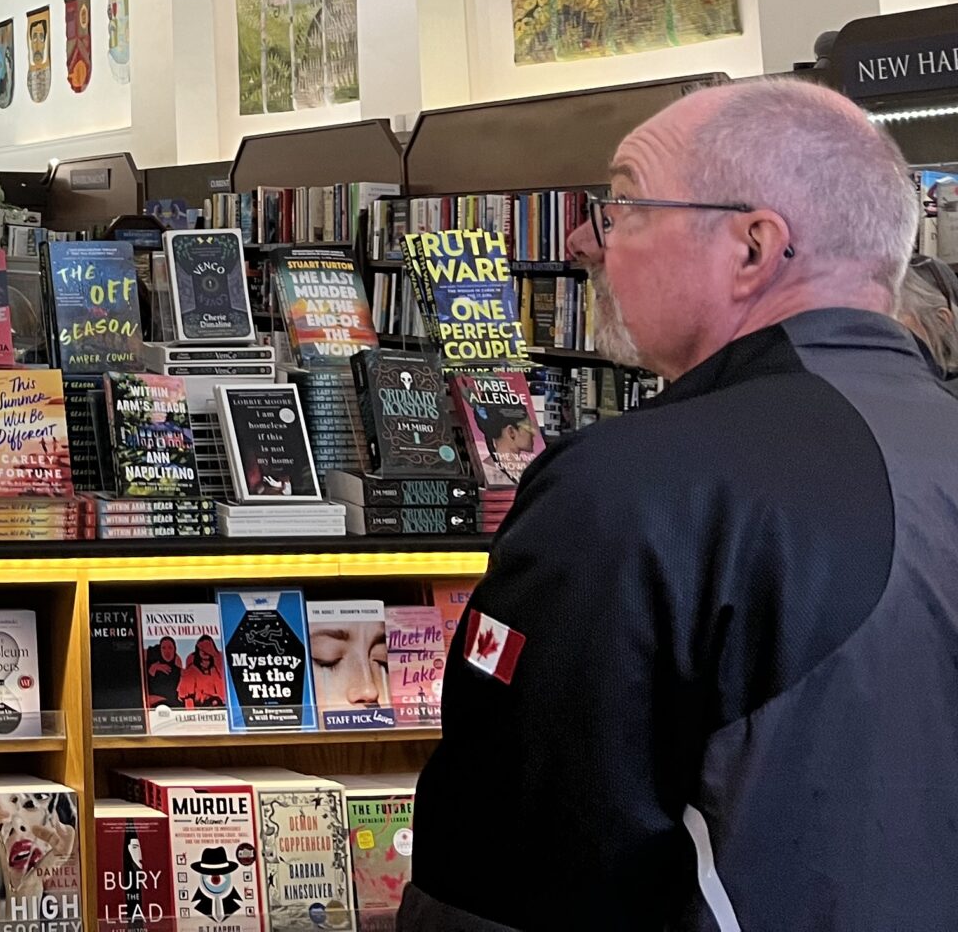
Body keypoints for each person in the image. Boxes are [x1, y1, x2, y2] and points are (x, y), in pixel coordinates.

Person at [403, 78, 958, 931]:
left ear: (752, 248)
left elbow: (510, 870)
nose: (586, 241)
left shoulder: (632, 491)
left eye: (625, 206)